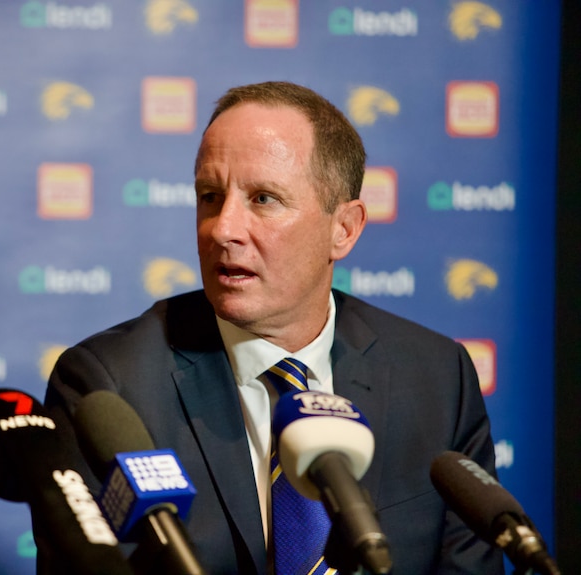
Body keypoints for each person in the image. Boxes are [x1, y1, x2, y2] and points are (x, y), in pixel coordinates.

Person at [36, 81, 504, 574]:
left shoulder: (435, 377)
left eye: (263, 198)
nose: (222, 228)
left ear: (343, 229)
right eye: (210, 196)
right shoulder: (108, 386)